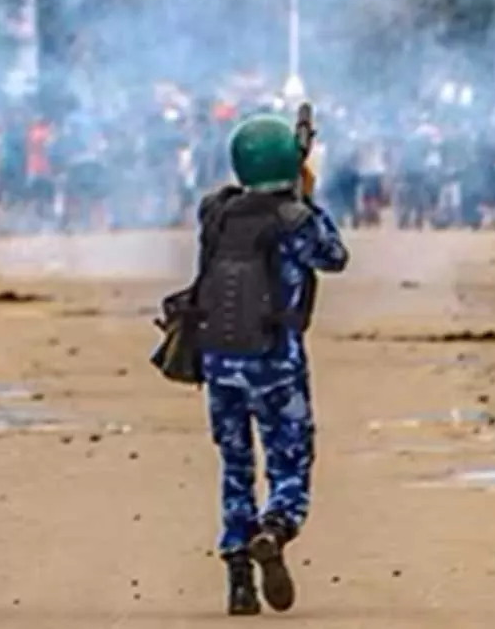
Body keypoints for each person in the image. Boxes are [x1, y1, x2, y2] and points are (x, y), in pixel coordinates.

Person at [193, 114, 348, 615]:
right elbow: (334, 256)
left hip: (219, 360)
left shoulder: (215, 212)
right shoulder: (296, 219)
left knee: (235, 466)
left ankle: (238, 579)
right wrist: (305, 196)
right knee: (289, 459)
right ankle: (275, 528)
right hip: (275, 361)